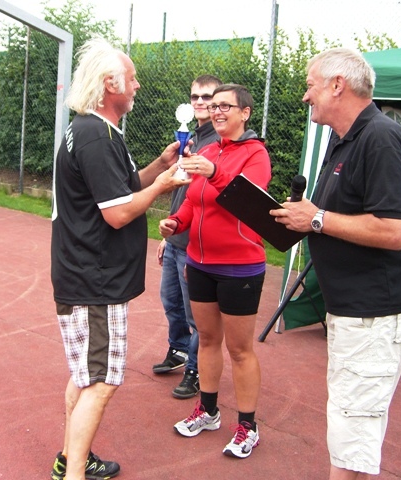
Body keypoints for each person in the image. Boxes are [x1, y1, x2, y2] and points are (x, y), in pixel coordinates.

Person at [270, 48, 401, 479]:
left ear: (338, 85)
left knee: (352, 432)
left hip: (374, 311)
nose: (305, 96)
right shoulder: (344, 138)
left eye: (310, 85)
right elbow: (332, 215)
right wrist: (302, 217)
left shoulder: (380, 138)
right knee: (351, 425)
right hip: (353, 309)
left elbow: (395, 231)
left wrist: (316, 218)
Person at [50, 38, 188, 480]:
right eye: (132, 78)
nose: (137, 85)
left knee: (85, 375)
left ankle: (71, 459)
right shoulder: (96, 136)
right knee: (101, 381)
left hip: (87, 275)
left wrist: (158, 166)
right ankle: (74, 473)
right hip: (95, 280)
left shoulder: (94, 130)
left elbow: (121, 189)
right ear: (111, 84)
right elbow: (118, 213)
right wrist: (164, 186)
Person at [159, 84, 271, 459]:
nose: (217, 111)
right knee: (207, 339)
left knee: (239, 350)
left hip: (240, 267)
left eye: (225, 105)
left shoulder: (256, 154)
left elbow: (247, 198)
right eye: (214, 105)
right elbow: (193, 201)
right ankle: (208, 411)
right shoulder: (206, 151)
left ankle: (248, 426)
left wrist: (216, 172)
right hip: (199, 263)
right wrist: (176, 222)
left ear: (245, 113)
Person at [153, 74, 222, 400]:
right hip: (177, 237)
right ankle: (179, 349)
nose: (200, 102)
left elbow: (208, 198)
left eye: (207, 97)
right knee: (171, 302)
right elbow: (184, 191)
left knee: (198, 316)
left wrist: (192, 240)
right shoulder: (191, 136)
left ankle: (196, 368)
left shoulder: (218, 141)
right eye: (195, 96)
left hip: (195, 243)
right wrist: (169, 234)